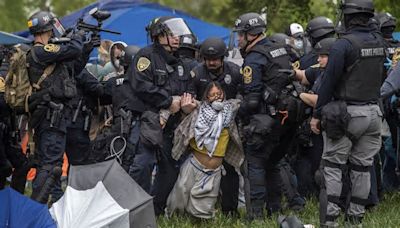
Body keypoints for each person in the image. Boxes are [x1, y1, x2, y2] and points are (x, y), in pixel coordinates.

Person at [310, 0, 385, 226]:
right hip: (374, 114)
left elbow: (329, 82)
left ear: (348, 17)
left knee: (333, 167)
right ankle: (355, 220)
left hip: (347, 115)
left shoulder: (343, 45)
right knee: (362, 168)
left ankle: (331, 221)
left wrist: (317, 114)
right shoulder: (379, 41)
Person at [233, 12, 299, 218]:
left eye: (241, 35)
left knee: (256, 164)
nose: (238, 39)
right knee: (273, 164)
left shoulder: (254, 58)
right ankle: (275, 208)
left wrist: (235, 112)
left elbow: (252, 100)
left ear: (251, 34)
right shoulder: (279, 48)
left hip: (265, 120)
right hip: (288, 116)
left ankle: (256, 215)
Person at [129, 16, 197, 215]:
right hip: (147, 123)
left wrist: (187, 104)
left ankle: (155, 211)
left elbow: (188, 89)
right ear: (158, 35)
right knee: (143, 166)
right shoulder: (145, 56)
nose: (177, 38)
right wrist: (167, 101)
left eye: (177, 33)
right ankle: (136, 211)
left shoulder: (181, 63)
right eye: (171, 34)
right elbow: (140, 85)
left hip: (172, 126)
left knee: (169, 169)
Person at [26, 11, 87, 203]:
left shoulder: (49, 54)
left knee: (53, 164)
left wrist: (85, 46)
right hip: (50, 116)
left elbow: (74, 66)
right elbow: (73, 50)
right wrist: (75, 37)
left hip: (56, 116)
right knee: (50, 165)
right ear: (47, 28)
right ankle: (36, 210)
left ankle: (50, 204)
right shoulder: (41, 50)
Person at [166, 82, 243, 219]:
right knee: (180, 197)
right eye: (212, 95)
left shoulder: (229, 112)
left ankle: (199, 220)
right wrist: (193, 105)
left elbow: (237, 102)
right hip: (194, 165)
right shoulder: (199, 111)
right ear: (206, 97)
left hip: (214, 171)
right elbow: (177, 104)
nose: (216, 97)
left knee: (203, 209)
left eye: (219, 94)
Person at [191, 37, 243, 215]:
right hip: (203, 128)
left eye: (215, 59)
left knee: (230, 167)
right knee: (201, 167)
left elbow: (242, 96)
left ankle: (230, 210)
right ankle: (198, 207)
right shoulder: (196, 73)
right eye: (208, 59)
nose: (212, 62)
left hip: (229, 128)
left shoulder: (235, 72)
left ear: (223, 58)